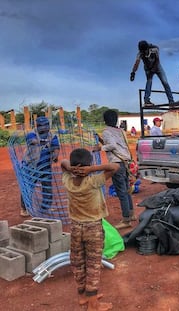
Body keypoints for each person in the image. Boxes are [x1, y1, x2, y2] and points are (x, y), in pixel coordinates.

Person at [61, 148, 118, 310]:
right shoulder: (93, 181)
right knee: (93, 264)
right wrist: (92, 169)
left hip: (75, 227)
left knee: (78, 262)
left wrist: (71, 168)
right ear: (89, 165)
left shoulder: (68, 181)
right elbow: (115, 167)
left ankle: (82, 297)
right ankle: (93, 305)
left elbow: (62, 164)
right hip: (93, 228)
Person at [94, 110, 135, 229]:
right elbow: (116, 144)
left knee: (121, 191)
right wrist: (102, 141)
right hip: (125, 161)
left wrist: (100, 148)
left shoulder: (107, 131)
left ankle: (126, 219)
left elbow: (112, 146)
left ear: (105, 120)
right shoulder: (120, 131)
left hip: (117, 163)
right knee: (126, 190)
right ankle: (131, 214)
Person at [130, 40, 174, 107]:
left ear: (147, 48)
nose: (144, 52)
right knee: (149, 81)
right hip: (148, 68)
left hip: (157, 66)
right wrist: (133, 72)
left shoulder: (154, 49)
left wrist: (153, 69)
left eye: (145, 50)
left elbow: (157, 60)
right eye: (142, 51)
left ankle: (171, 101)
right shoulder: (140, 54)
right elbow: (136, 64)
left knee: (165, 82)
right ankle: (146, 100)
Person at [34, 116, 60, 210]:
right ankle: (24, 208)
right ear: (37, 126)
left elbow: (56, 147)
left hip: (45, 165)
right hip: (32, 165)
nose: (44, 127)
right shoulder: (32, 134)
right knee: (30, 185)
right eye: (41, 125)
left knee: (47, 186)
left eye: (46, 125)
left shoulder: (52, 136)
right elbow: (31, 142)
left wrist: (55, 155)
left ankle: (46, 207)